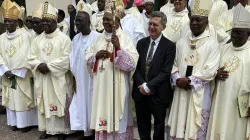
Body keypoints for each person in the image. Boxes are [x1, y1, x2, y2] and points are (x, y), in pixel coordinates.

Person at [86, 0, 139, 139]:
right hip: (101, 87)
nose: (105, 22)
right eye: (104, 19)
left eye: (108, 19)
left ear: (117, 21)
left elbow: (132, 63)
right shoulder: (98, 38)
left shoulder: (125, 38)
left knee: (117, 117)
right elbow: (88, 57)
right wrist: (95, 56)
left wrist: (119, 49)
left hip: (118, 87)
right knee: (102, 115)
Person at [167, 0, 220, 139]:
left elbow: (211, 70)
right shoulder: (181, 43)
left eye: (199, 20)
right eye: (192, 20)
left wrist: (189, 81)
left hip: (200, 95)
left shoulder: (212, 44)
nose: (194, 23)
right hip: (180, 92)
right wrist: (177, 79)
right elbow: (173, 65)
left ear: (206, 21)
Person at [28, 2, 73, 140]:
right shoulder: (37, 40)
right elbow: (30, 57)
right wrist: (39, 65)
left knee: (60, 102)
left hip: (58, 78)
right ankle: (49, 129)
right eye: (43, 21)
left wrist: (49, 66)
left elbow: (67, 59)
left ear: (55, 21)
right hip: (44, 78)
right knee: (45, 101)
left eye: (48, 21)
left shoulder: (64, 39)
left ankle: (63, 131)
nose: (44, 24)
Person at [206, 3, 250, 140]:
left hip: (241, 105)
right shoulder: (223, 49)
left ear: (248, 34)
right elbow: (211, 71)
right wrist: (215, 74)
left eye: (238, 33)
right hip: (220, 100)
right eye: (233, 31)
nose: (234, 36)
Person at [133, 11, 176, 140]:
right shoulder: (141, 43)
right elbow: (135, 67)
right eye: (150, 24)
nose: (151, 27)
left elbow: (166, 71)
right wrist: (142, 85)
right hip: (141, 93)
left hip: (158, 94)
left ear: (163, 27)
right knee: (142, 126)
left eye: (155, 25)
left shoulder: (169, 46)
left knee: (158, 127)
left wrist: (149, 86)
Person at [0, 0, 37, 133]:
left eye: (10, 21)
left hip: (21, 73)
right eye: (6, 21)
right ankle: (14, 122)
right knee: (11, 99)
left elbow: (26, 55)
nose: (8, 23)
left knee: (22, 97)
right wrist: (4, 69)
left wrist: (14, 71)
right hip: (6, 74)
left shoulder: (25, 36)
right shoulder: (1, 38)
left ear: (17, 21)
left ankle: (26, 123)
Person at [69, 1, 99, 140]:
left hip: (94, 79)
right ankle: (86, 132)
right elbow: (72, 60)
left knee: (94, 103)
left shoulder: (97, 37)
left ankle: (96, 132)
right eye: (76, 21)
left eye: (80, 21)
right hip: (80, 78)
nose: (77, 23)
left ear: (88, 21)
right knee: (81, 103)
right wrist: (74, 78)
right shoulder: (75, 38)